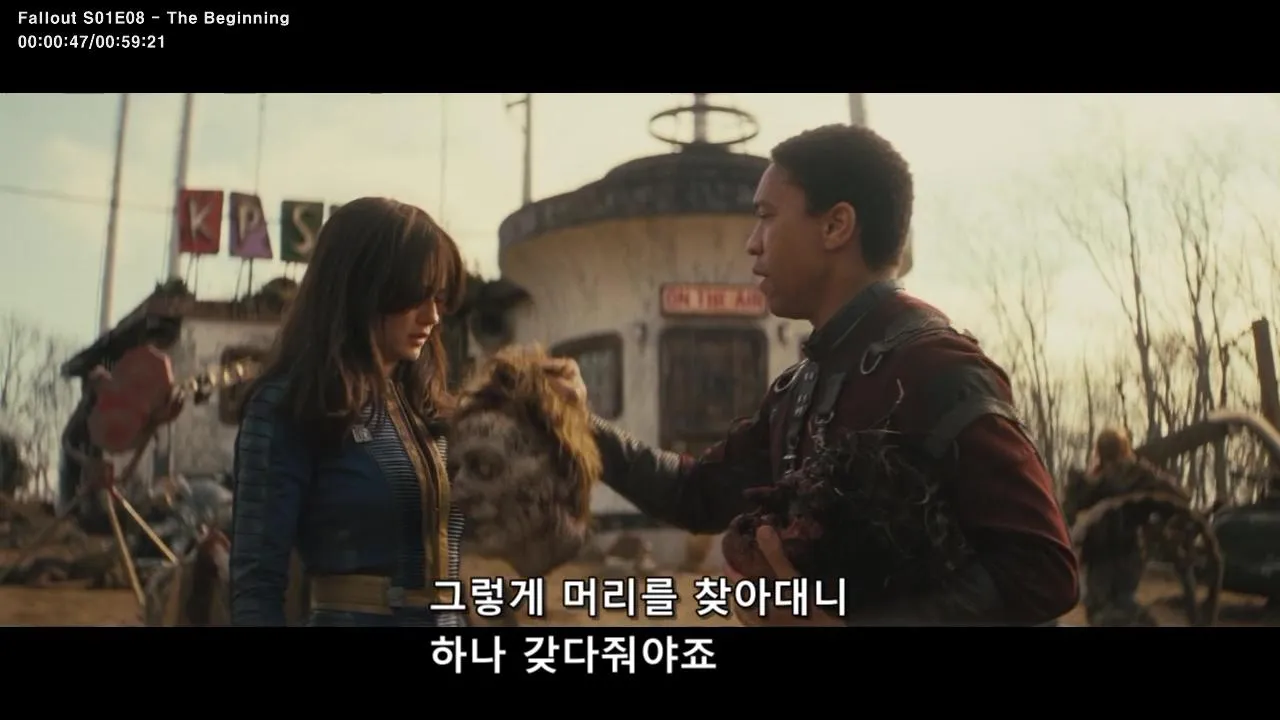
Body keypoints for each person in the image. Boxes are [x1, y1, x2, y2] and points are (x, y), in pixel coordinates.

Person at [571, 124, 1080, 626]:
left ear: (836, 226)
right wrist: (570, 420)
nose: (752, 244)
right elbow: (697, 493)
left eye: (767, 217)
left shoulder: (939, 370)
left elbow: (1042, 570)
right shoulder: (801, 389)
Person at [228, 196, 469, 627]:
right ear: (362, 288)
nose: (432, 315)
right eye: (415, 295)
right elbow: (256, 586)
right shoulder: (290, 405)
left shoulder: (430, 414)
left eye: (439, 297)